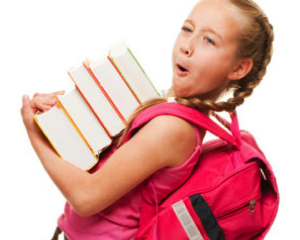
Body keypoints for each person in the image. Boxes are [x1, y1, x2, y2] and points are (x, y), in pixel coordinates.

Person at [20, 0, 274, 239]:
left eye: (209, 40)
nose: (187, 45)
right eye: (188, 28)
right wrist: (59, 121)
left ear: (238, 68)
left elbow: (86, 197)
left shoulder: (172, 127)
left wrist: (33, 131)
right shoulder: (173, 110)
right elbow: (109, 164)